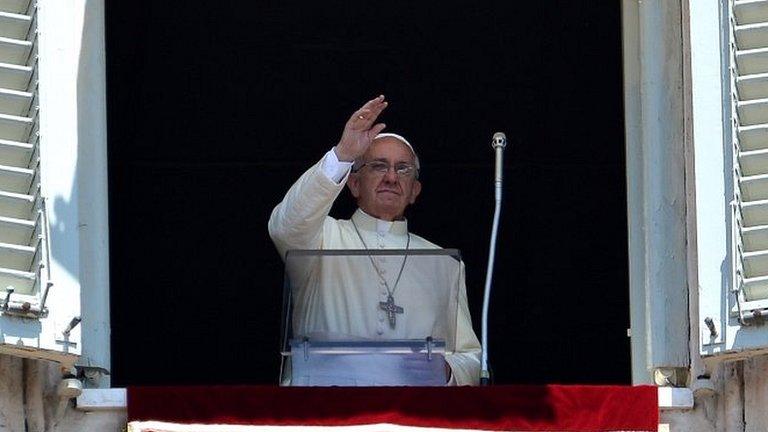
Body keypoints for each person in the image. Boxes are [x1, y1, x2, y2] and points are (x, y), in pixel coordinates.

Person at [269, 95, 481, 385]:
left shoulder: (443, 262)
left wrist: (445, 370)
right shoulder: (321, 238)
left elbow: (469, 356)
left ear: (414, 190)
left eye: (402, 168)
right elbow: (285, 225)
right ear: (353, 183)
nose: (392, 177)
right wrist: (343, 153)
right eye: (379, 166)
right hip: (325, 413)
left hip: (411, 418)